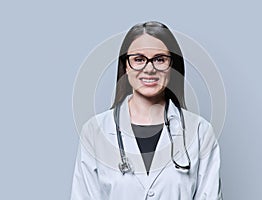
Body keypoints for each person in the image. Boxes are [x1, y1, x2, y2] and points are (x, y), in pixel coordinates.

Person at [71, 21, 223, 200]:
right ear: (125, 66)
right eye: (139, 59)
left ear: (171, 66)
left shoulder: (199, 132)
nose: (149, 69)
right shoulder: (95, 132)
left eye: (160, 59)